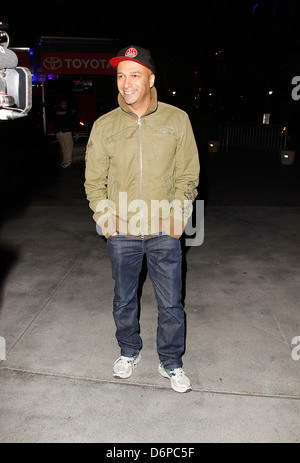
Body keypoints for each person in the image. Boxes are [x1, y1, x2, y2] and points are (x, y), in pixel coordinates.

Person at [84, 45, 200, 393]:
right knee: (124, 298)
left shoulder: (177, 119)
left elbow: (188, 175)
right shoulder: (105, 125)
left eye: (134, 74)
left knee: (171, 302)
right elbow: (94, 181)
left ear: (150, 78)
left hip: (165, 228)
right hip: (123, 229)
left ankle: (171, 361)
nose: (126, 82)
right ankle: (128, 351)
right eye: (121, 76)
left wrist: (179, 215)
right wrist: (107, 220)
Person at [53, 100, 74, 168]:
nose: (64, 105)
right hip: (64, 131)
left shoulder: (57, 111)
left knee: (66, 148)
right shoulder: (67, 111)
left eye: (65, 104)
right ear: (60, 104)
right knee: (66, 148)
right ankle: (66, 161)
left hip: (63, 131)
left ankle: (66, 161)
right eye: (63, 104)